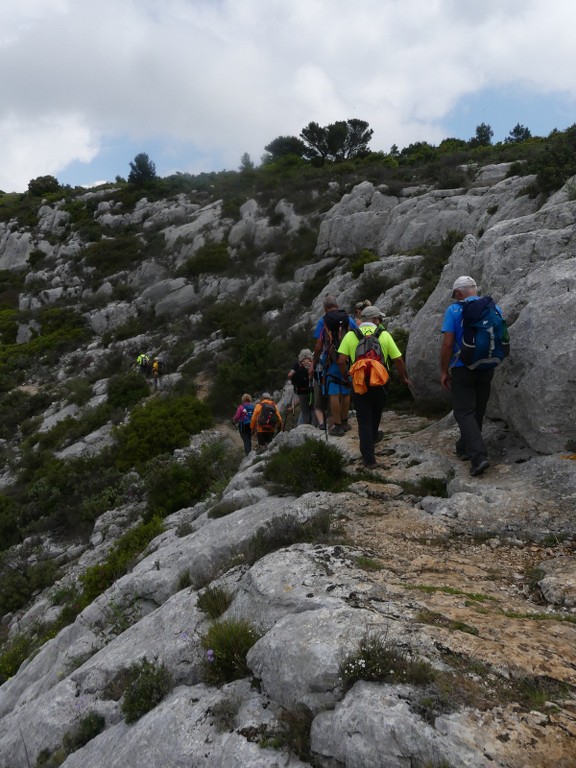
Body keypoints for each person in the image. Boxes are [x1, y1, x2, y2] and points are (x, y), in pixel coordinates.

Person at [440, 275, 501, 477]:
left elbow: (448, 344)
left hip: (463, 366)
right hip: (487, 365)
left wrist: (443, 370)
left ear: (458, 293)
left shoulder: (454, 310)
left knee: (463, 412)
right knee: (478, 410)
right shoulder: (492, 307)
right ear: (474, 289)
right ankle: (465, 447)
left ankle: (478, 457)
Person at [338, 305, 410, 469]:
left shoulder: (350, 335)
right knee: (376, 413)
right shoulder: (383, 335)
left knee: (363, 419)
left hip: (359, 382)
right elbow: (398, 360)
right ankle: (374, 436)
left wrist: (347, 377)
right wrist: (403, 377)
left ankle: (369, 459)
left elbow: (341, 361)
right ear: (376, 320)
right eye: (380, 319)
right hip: (380, 382)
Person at [313, 296, 355, 436]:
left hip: (331, 361)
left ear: (325, 308)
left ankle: (337, 426)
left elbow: (319, 346)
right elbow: (357, 333)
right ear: (337, 305)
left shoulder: (323, 321)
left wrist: (315, 361)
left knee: (333, 392)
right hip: (347, 360)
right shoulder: (348, 319)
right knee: (346, 390)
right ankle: (345, 422)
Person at [287, 349, 315, 425]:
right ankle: (315, 426)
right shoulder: (312, 363)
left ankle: (306, 427)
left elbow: (289, 375)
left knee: (305, 411)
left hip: (301, 391)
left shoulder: (298, 364)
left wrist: (295, 381)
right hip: (312, 390)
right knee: (313, 409)